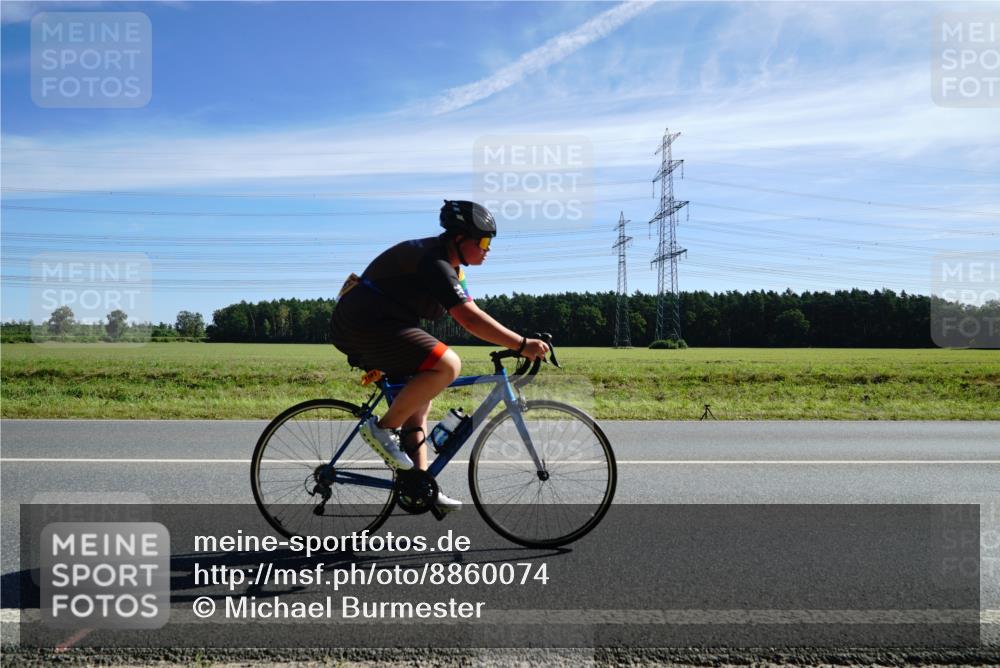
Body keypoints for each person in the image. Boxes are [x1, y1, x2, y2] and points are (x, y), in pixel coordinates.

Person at [329, 200, 550, 512]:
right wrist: (521, 344)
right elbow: (469, 320)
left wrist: (519, 341)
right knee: (448, 365)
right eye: (484, 241)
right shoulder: (434, 261)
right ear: (460, 239)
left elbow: (473, 311)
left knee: (420, 403)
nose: (488, 249)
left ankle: (418, 484)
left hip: (383, 324)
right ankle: (380, 429)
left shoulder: (453, 270)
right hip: (365, 324)